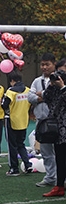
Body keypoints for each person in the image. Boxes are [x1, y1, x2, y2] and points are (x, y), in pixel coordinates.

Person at [28, 53, 58, 188]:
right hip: (42, 121)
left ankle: (60, 177)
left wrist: (42, 95)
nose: (44, 67)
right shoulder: (36, 81)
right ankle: (50, 177)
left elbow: (57, 96)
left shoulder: (59, 78)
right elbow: (30, 97)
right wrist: (42, 97)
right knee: (46, 152)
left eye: (47, 64)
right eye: (42, 64)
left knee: (59, 151)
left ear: (54, 64)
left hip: (58, 121)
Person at [1, 71, 32, 176]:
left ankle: (14, 168)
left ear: (12, 81)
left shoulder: (11, 91)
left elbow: (5, 105)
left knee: (12, 145)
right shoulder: (28, 90)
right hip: (23, 121)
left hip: (11, 120)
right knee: (21, 144)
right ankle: (28, 165)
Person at [42, 69, 66, 197]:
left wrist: (62, 87)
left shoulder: (63, 90)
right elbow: (46, 98)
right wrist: (51, 86)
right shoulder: (54, 90)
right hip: (57, 130)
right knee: (60, 159)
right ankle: (59, 186)